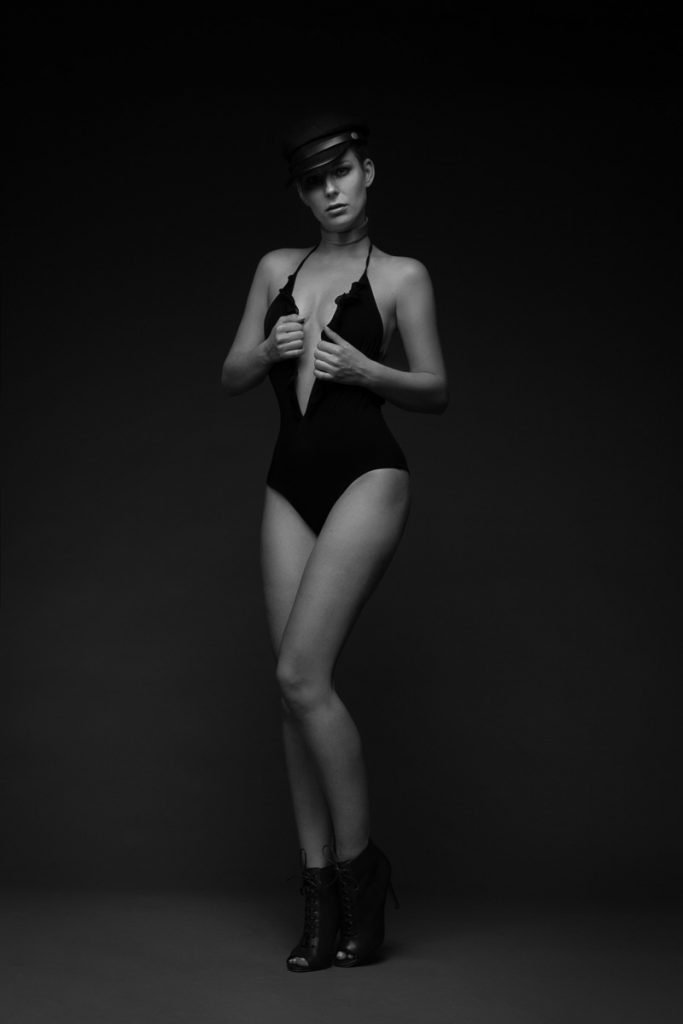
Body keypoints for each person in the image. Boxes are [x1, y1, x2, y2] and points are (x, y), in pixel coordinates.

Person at [221, 113, 448, 971]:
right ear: (301, 194)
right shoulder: (274, 269)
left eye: (342, 171)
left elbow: (435, 389)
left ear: (367, 171)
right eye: (314, 181)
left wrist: (366, 370)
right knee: (291, 693)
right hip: (288, 479)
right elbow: (230, 374)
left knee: (300, 675)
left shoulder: (401, 275)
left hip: (367, 476)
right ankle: (318, 897)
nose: (331, 190)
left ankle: (360, 875)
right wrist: (265, 349)